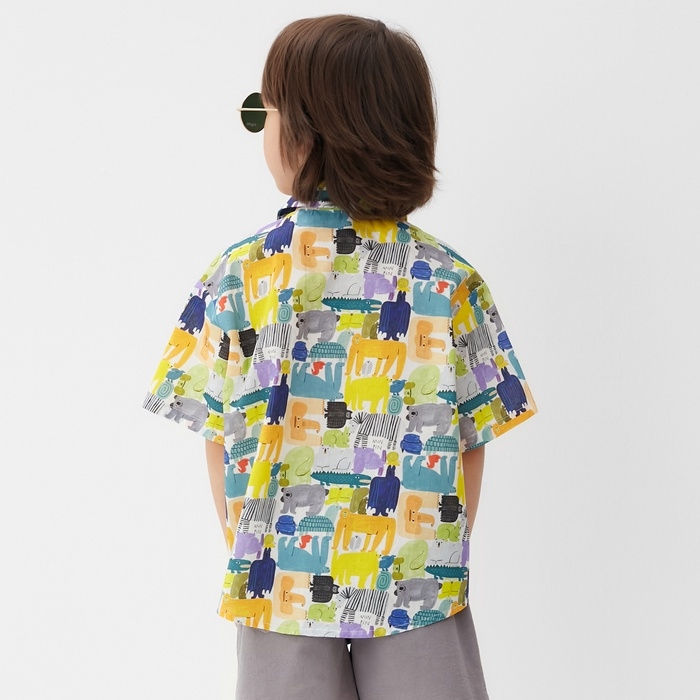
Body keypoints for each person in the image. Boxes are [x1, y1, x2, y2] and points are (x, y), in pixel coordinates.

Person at [143, 14, 536, 700]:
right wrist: (433, 553)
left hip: (277, 579)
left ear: (306, 132)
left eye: (262, 112)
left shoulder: (238, 276)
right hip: (417, 578)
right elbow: (472, 440)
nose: (259, 130)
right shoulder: (450, 281)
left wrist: (248, 541)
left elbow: (219, 436)